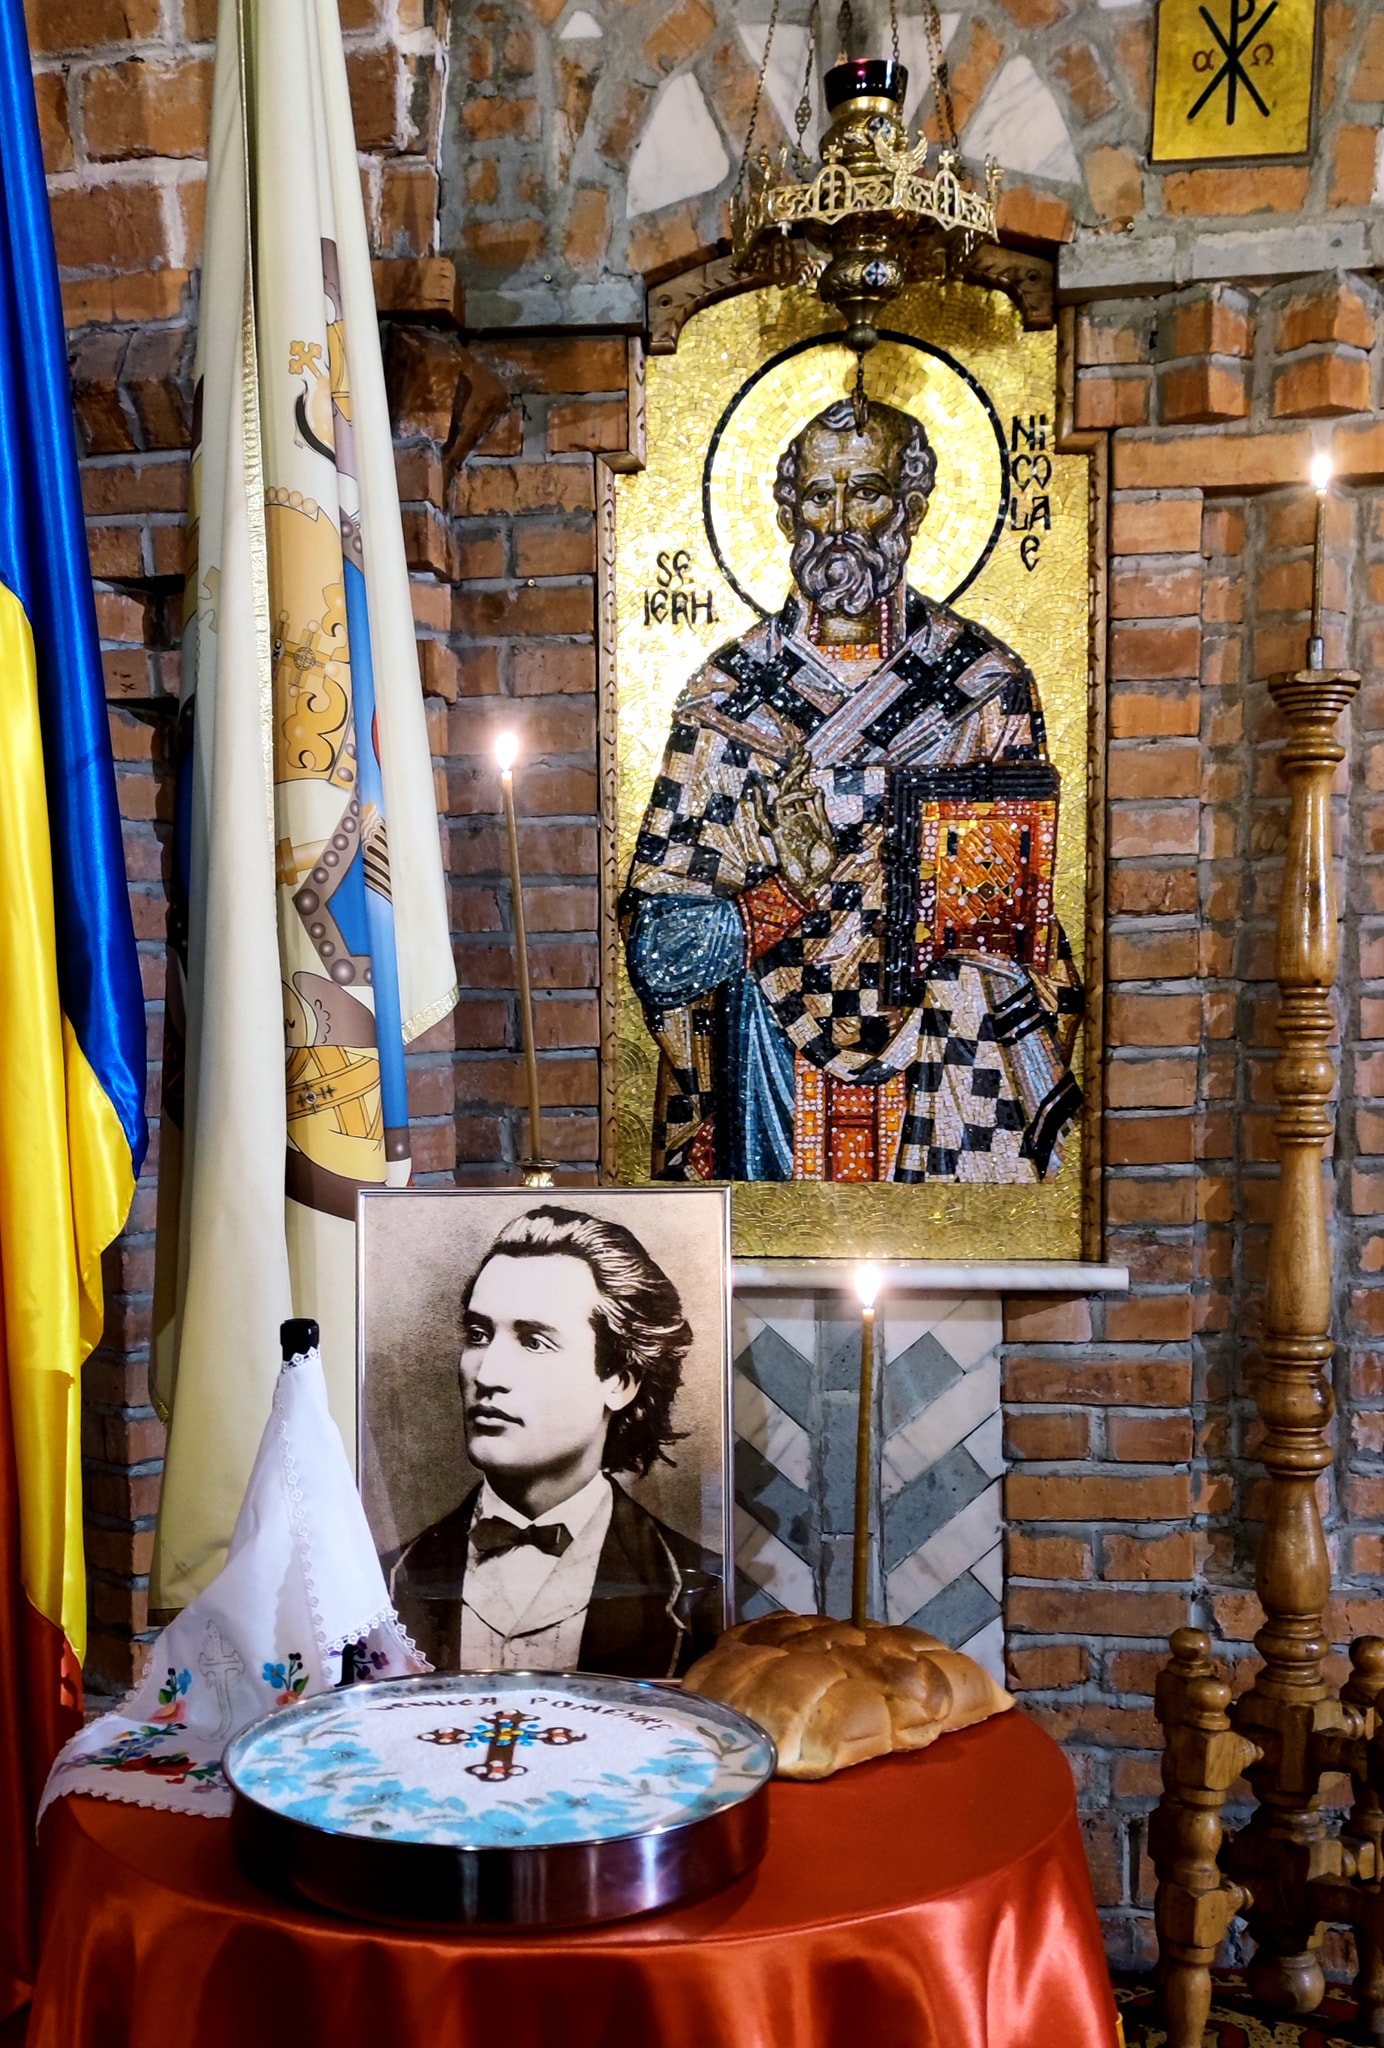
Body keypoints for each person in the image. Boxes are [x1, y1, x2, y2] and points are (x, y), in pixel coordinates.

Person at [621, 393, 1083, 1186]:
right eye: (817, 496)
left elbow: (1020, 933)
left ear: (911, 508)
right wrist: (786, 894)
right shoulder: (730, 701)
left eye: (864, 492)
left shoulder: (984, 690)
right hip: (768, 1060)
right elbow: (661, 956)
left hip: (941, 1054)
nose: (837, 521)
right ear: (786, 512)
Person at [387, 1206, 724, 1678]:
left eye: (534, 1342)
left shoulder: (700, 1590)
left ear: (620, 1381)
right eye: (479, 1335)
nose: (488, 1374)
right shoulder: (382, 1581)